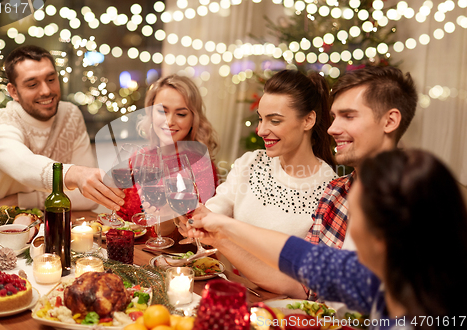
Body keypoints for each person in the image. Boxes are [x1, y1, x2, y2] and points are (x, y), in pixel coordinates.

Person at [189, 149, 467, 330]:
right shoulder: (377, 280)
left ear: (382, 239)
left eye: (355, 218)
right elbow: (299, 256)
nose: (350, 232)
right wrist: (221, 228)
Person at [185, 69, 338, 297]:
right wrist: (196, 217)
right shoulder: (251, 162)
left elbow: (309, 285)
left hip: (282, 306)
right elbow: (215, 209)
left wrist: (218, 230)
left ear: (308, 120)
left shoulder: (331, 191)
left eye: (274, 120)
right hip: (233, 291)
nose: (261, 130)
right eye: (260, 118)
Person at [0, 45, 125, 215]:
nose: (46, 91)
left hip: (39, 223)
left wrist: (20, 201)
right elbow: (23, 165)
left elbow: (87, 197)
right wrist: (76, 174)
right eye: (33, 84)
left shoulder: (70, 114)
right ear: (14, 91)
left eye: (51, 80)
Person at [307, 65, 418, 249]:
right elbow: (304, 269)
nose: (331, 129)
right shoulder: (335, 191)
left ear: (390, 121)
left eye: (348, 116)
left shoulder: (417, 204)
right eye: (334, 117)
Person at [117, 74, 219, 231]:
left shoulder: (201, 165)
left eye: (181, 114)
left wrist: (166, 218)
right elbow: (122, 218)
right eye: (162, 111)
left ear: (193, 118)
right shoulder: (138, 158)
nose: (169, 121)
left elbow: (203, 237)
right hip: (136, 254)